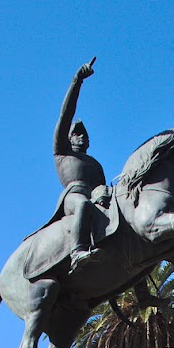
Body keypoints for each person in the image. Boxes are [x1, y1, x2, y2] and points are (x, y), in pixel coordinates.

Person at [52, 58, 110, 269]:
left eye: (84, 134)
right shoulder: (62, 153)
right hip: (74, 197)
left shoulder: (96, 164)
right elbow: (65, 115)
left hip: (96, 198)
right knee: (83, 205)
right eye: (76, 134)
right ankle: (77, 251)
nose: (82, 137)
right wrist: (77, 81)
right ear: (69, 138)